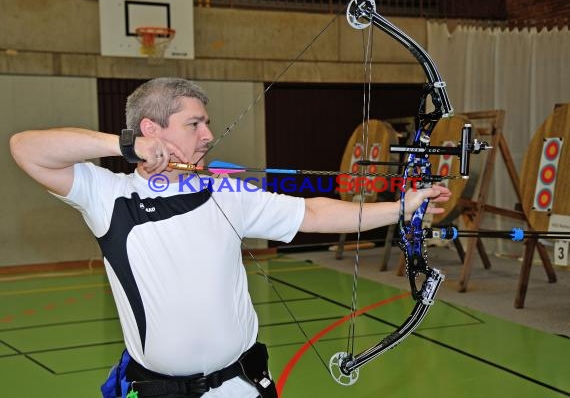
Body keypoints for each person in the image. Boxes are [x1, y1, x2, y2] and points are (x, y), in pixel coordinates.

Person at [9, 78, 450, 398]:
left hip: (244, 384)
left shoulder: (226, 190)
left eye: (207, 125)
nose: (208, 135)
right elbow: (24, 148)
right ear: (151, 130)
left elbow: (312, 211)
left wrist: (399, 209)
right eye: (195, 125)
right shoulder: (109, 195)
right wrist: (123, 146)